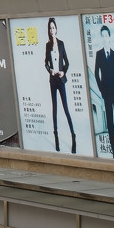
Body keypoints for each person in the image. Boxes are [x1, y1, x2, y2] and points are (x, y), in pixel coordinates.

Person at [93, 25, 114, 158]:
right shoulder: (99, 54)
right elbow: (96, 74)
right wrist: (101, 90)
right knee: (110, 122)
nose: (105, 38)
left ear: (109, 37)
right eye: (103, 36)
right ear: (101, 38)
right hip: (106, 94)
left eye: (106, 35)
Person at [43, 18, 75, 152]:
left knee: (66, 108)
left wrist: (63, 72)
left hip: (61, 79)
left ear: (56, 29)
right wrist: (50, 70)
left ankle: (73, 137)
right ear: (49, 30)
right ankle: (56, 138)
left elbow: (67, 62)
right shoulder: (47, 45)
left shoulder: (61, 44)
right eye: (50, 28)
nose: (52, 30)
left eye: (53, 28)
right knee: (54, 108)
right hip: (53, 80)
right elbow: (45, 62)